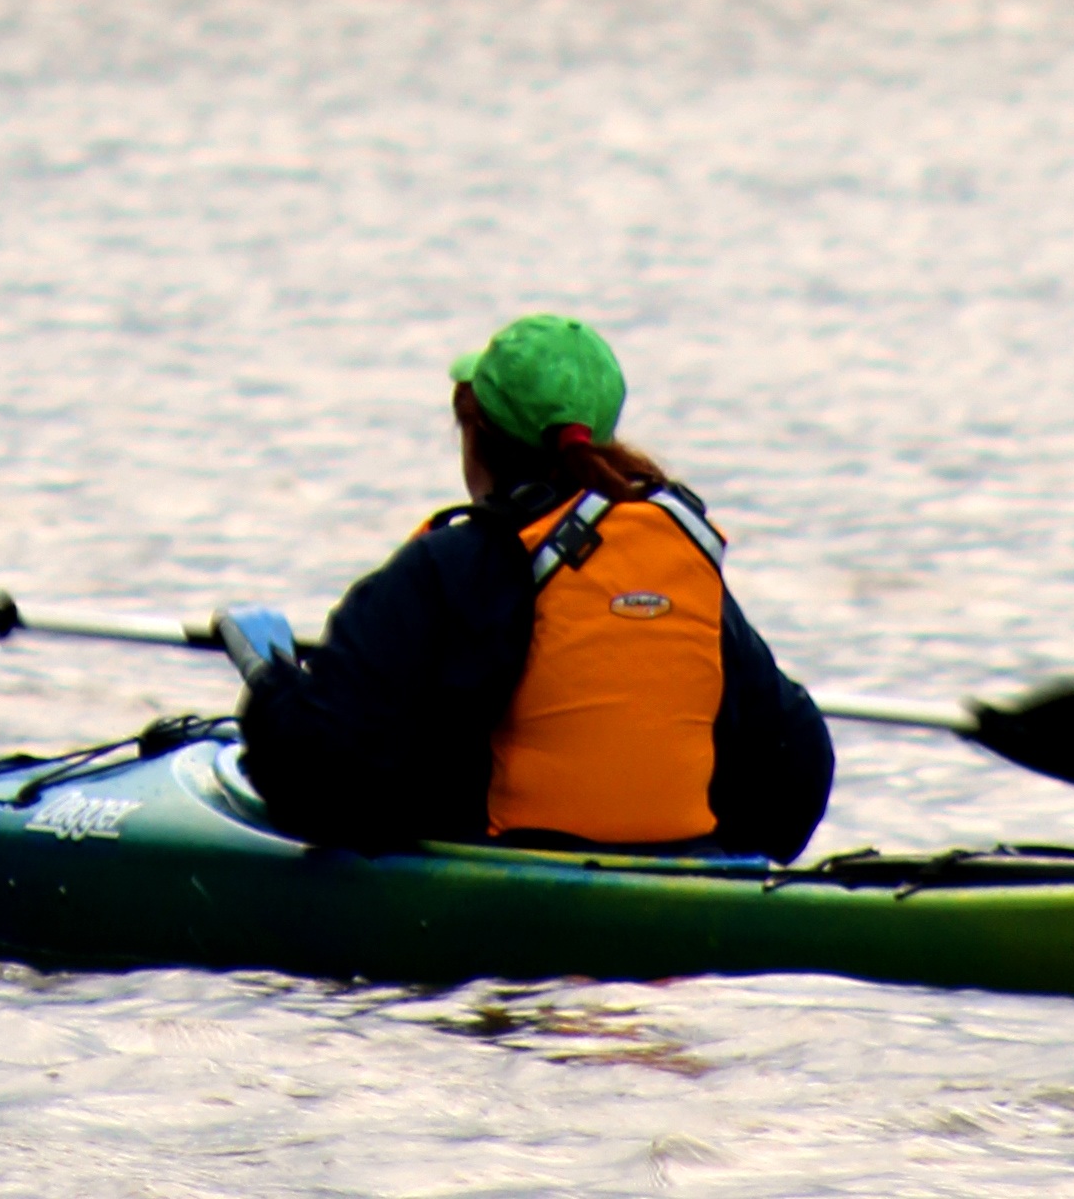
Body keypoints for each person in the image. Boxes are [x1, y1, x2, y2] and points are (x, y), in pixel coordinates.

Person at [217, 314, 833, 858]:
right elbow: (798, 774)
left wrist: (270, 683)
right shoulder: (681, 565)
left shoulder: (445, 567)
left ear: (475, 435)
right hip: (680, 876)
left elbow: (319, 779)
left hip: (504, 884)